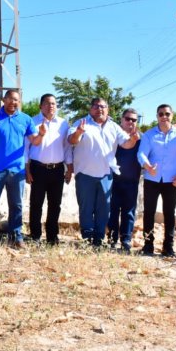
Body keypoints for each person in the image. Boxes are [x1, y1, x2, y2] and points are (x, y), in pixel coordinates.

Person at [68, 97, 139, 247]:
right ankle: (87, 238)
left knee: (103, 209)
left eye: (103, 106)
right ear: (90, 109)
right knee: (86, 208)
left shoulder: (114, 127)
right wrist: (79, 132)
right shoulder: (81, 123)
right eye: (96, 106)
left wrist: (133, 140)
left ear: (108, 109)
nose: (99, 109)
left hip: (106, 175)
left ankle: (99, 239)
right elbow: (71, 140)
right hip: (85, 174)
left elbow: (126, 144)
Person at [0, 89, 40, 250]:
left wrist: (41, 135)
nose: (14, 102)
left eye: (17, 100)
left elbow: (35, 141)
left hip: (17, 170)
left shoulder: (25, 119)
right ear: (4, 100)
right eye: (11, 99)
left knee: (17, 205)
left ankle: (16, 238)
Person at [138, 104, 176, 257]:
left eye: (167, 114)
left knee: (169, 213)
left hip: (172, 181)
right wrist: (148, 167)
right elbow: (142, 154)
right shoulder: (149, 135)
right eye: (161, 114)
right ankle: (148, 245)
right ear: (157, 116)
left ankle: (168, 247)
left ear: (172, 116)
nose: (164, 117)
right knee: (148, 212)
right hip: (152, 179)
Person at [24, 93, 73, 246]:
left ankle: (52, 237)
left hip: (57, 170)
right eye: (47, 103)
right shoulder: (32, 122)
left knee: (55, 204)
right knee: (36, 204)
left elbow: (67, 148)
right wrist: (27, 170)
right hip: (38, 168)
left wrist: (69, 168)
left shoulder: (63, 124)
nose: (51, 106)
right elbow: (26, 148)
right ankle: (35, 236)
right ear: (41, 106)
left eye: (53, 103)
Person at [107, 108, 141, 253]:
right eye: (127, 119)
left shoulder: (141, 139)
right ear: (121, 120)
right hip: (113, 180)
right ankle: (112, 239)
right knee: (112, 211)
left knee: (129, 212)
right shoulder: (113, 136)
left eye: (134, 120)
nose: (130, 122)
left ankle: (126, 240)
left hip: (132, 181)